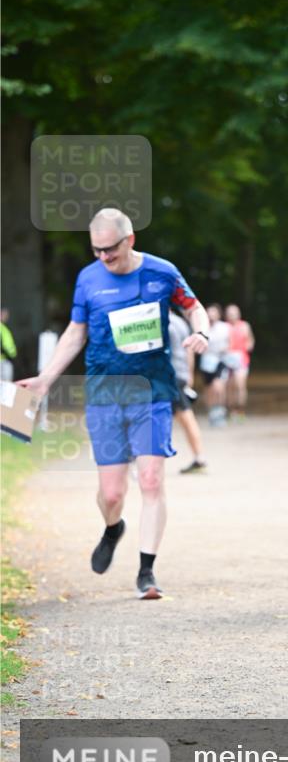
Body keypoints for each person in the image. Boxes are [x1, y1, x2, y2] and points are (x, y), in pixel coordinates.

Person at [18, 209, 210, 600]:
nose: (104, 258)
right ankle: (112, 528)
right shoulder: (88, 279)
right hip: (105, 393)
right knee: (111, 494)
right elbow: (75, 332)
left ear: (130, 240)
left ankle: (147, 572)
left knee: (152, 479)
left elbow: (193, 306)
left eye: (111, 250)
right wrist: (45, 378)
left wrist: (201, 330)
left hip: (153, 390)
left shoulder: (162, 272)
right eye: (96, 250)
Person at [169, 309, 207, 474]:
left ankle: (199, 458)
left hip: (169, 376)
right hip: (181, 374)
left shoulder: (163, 323)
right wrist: (189, 375)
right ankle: (199, 458)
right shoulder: (180, 322)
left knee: (184, 415)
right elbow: (189, 351)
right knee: (184, 415)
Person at [200, 304, 230, 427]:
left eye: (213, 313)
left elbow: (231, 343)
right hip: (207, 361)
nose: (211, 315)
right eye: (209, 313)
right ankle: (212, 411)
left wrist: (224, 349)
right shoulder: (202, 327)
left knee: (218, 386)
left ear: (218, 314)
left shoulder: (225, 327)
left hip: (220, 360)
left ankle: (220, 410)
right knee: (209, 389)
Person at [224, 304, 255, 419]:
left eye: (234, 313)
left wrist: (249, 346)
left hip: (241, 358)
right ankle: (231, 410)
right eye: (229, 313)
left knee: (240, 384)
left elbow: (250, 340)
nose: (232, 315)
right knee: (229, 386)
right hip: (227, 358)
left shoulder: (245, 326)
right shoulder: (224, 326)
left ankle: (240, 409)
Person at [0, 308, 17, 382]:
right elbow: (8, 347)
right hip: (3, 361)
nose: (6, 317)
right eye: (4, 315)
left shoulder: (4, 328)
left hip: (4, 360)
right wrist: (12, 354)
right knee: (6, 387)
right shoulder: (3, 329)